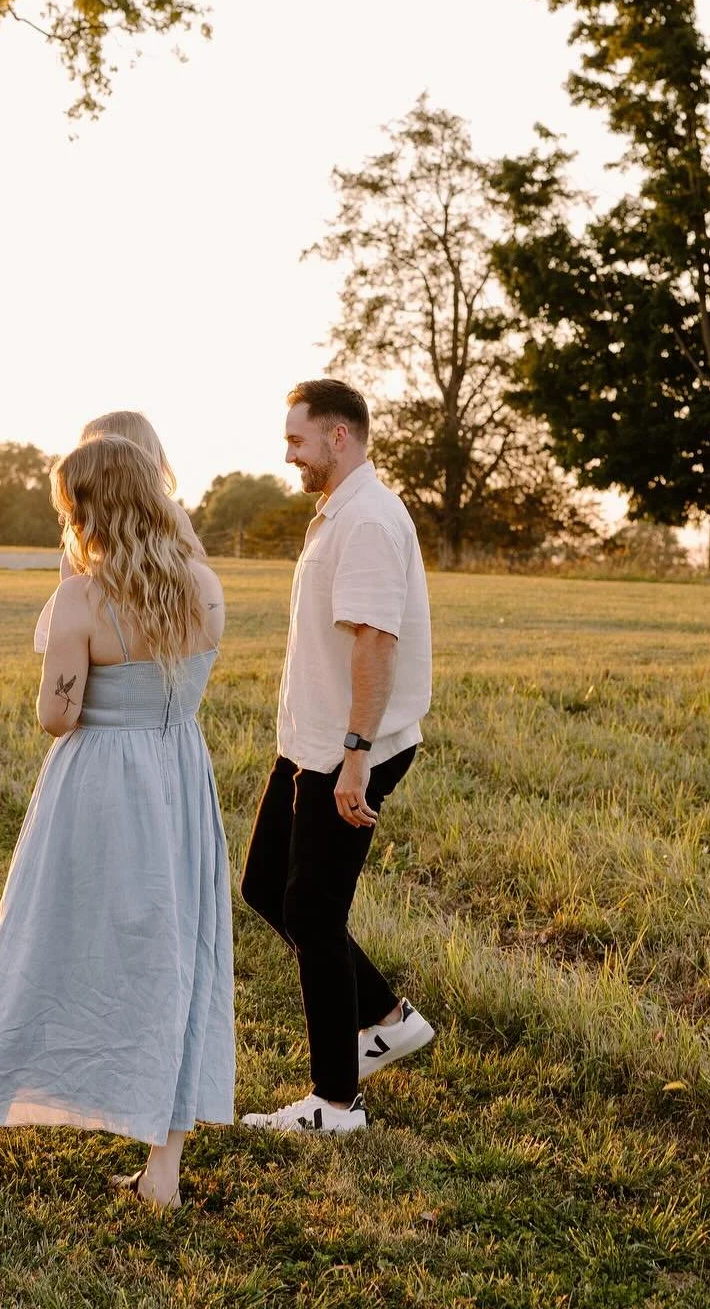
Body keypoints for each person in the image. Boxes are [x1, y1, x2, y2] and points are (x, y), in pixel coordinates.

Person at [0, 434, 232, 1209]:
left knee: (42, 941)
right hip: (179, 779)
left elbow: (58, 715)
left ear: (85, 508)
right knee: (171, 955)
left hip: (99, 784)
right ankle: (163, 1171)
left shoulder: (84, 597)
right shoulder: (205, 585)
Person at [239, 379, 435, 1135]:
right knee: (266, 887)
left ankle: (335, 1101)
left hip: (349, 750)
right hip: (310, 745)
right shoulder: (339, 513)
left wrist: (355, 756)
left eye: (297, 441)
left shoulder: (370, 521)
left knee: (313, 913)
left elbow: (375, 643)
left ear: (339, 438)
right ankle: (387, 1017)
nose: (288, 454)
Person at [32, 410, 205, 650]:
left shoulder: (172, 514)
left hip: (143, 621)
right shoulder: (87, 527)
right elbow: (71, 583)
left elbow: (193, 569)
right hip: (105, 624)